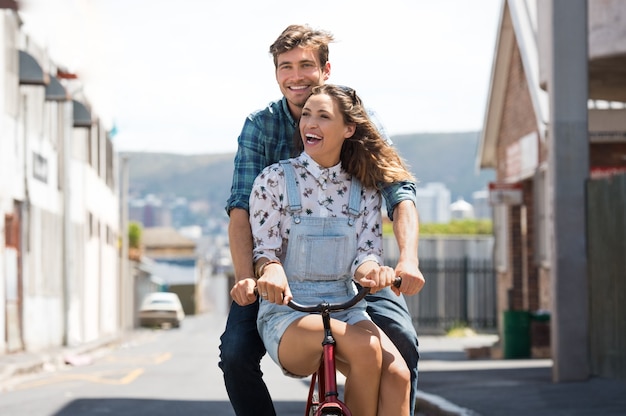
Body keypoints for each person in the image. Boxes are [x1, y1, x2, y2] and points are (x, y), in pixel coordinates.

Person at [219, 24, 425, 416]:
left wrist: (405, 261)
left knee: (402, 348)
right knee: (235, 355)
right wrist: (253, 273)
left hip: (346, 283)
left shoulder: (356, 127)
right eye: (285, 66)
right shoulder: (262, 132)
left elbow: (398, 195)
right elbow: (242, 210)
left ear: (325, 71)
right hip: (280, 281)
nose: (295, 76)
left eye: (305, 65)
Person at [253, 84, 413, 415]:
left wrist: (376, 272)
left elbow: (365, 257)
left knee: (398, 374)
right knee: (365, 350)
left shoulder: (364, 189)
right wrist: (270, 270)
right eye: (307, 114)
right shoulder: (273, 180)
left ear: (348, 129)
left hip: (346, 306)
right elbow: (264, 252)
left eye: (323, 117)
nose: (310, 123)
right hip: (289, 311)